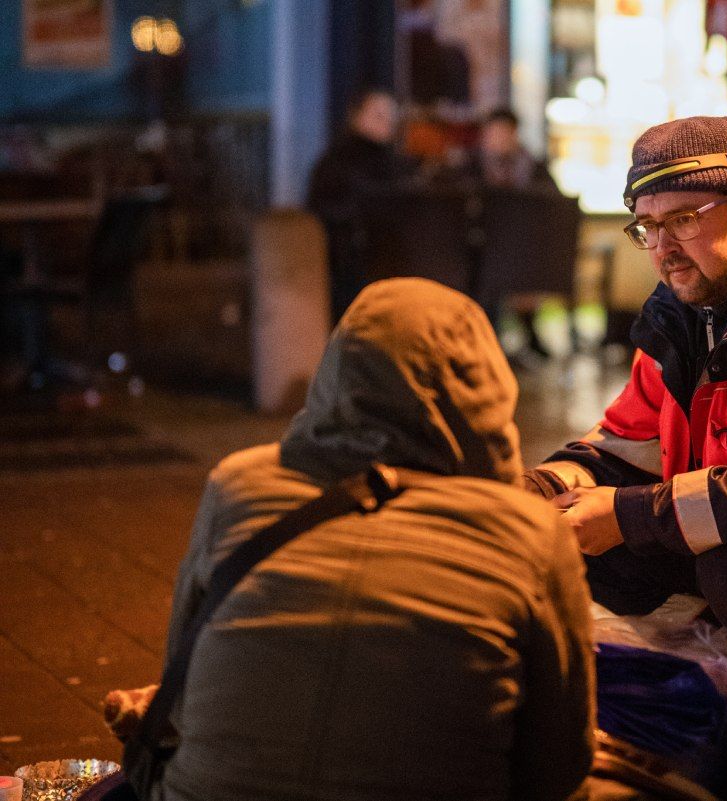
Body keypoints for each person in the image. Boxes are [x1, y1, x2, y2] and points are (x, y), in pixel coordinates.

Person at [157, 278, 595, 801]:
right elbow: (559, 765)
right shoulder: (532, 533)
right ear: (486, 392)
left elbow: (178, 703)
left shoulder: (238, 486)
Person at [522, 116, 727, 649]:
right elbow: (627, 446)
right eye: (647, 227)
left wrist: (630, 517)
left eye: (684, 219)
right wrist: (536, 491)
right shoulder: (686, 304)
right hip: (724, 532)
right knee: (554, 541)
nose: (662, 247)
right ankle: (699, 674)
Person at [306, 90, 417, 323]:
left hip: (388, 264)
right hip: (350, 265)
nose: (387, 123)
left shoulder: (394, 163)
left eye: (391, 117)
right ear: (356, 116)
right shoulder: (338, 163)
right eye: (378, 115)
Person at [464, 108, 561, 362]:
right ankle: (489, 339)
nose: (499, 139)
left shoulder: (533, 166)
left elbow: (553, 203)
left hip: (522, 250)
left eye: (504, 133)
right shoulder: (471, 166)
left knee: (520, 269)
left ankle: (526, 336)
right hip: (480, 249)